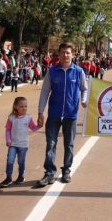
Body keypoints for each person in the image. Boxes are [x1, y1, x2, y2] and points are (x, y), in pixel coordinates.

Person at [36, 42, 88, 186]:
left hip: (71, 115)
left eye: (68, 52)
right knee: (51, 143)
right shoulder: (52, 71)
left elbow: (85, 89)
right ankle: (49, 173)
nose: (65, 55)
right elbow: (45, 92)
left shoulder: (78, 72)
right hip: (54, 114)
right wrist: (40, 112)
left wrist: (83, 100)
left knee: (69, 144)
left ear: (73, 55)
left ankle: (66, 170)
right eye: (63, 52)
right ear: (58, 54)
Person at [0, 97, 40, 187]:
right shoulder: (11, 118)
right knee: (10, 161)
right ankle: (8, 178)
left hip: (23, 145)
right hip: (13, 144)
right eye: (21, 106)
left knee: (21, 162)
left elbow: (33, 127)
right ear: (15, 107)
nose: (24, 108)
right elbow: (8, 130)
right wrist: (8, 140)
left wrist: (39, 126)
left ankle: (21, 176)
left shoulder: (28, 118)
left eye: (25, 106)